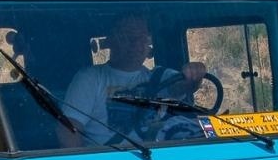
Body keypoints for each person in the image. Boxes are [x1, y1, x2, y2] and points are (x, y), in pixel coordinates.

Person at [59, 16, 204, 147]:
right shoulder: (91, 78)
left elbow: (183, 85)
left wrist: (195, 73)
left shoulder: (159, 77)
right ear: (111, 41)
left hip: (160, 158)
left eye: (142, 38)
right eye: (128, 37)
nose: (136, 45)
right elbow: (68, 128)